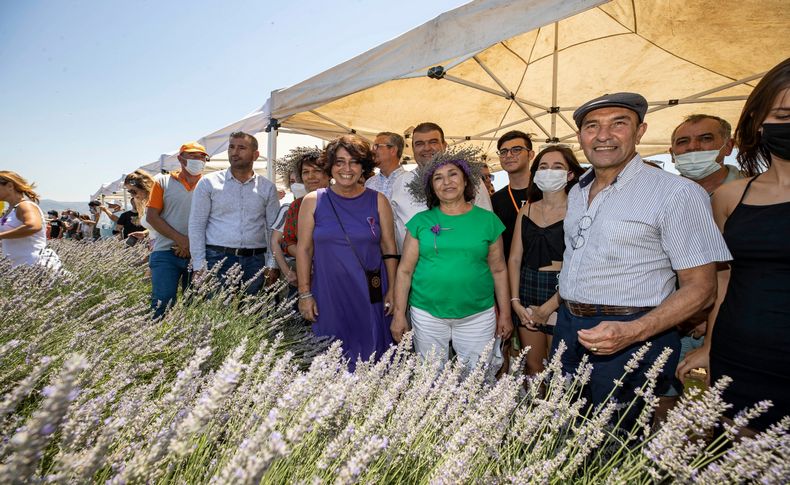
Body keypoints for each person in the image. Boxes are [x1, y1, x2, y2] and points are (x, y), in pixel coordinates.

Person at [552, 92, 731, 427]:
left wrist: (634, 331)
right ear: (580, 138)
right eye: (592, 126)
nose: (603, 135)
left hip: (634, 332)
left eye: (618, 124)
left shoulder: (676, 193)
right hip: (569, 325)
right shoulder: (576, 192)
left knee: (618, 440)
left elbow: (702, 288)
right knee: (564, 428)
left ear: (640, 131)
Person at [677, 58, 790, 433]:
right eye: (784, 115)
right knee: (737, 450)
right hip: (739, 352)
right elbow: (723, 280)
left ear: (726, 145)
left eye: (705, 140)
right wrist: (711, 344)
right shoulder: (730, 198)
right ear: (758, 122)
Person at [391, 148, 512, 373]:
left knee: (476, 381)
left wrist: (504, 313)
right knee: (430, 379)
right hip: (427, 314)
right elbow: (404, 271)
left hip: (477, 315)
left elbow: (499, 270)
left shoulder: (488, 221)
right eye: (438, 178)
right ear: (431, 187)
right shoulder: (420, 221)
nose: (447, 182)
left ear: (465, 180)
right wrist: (399, 314)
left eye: (453, 174)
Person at [295, 135, 398, 371]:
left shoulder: (378, 201)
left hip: (371, 295)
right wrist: (304, 294)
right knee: (330, 360)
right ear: (330, 166)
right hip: (329, 296)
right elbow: (304, 249)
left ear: (363, 167)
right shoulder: (313, 201)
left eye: (354, 162)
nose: (346, 169)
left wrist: (392, 290)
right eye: (339, 162)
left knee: (373, 359)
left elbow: (389, 248)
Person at [508, 146, 584, 375]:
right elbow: (514, 259)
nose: (549, 171)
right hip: (528, 289)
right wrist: (515, 301)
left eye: (557, 167)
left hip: (563, 292)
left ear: (570, 174)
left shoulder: (579, 211)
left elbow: (582, 265)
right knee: (533, 367)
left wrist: (551, 305)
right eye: (543, 167)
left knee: (559, 369)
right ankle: (533, 409)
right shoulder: (527, 211)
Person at [189, 131, 280, 295]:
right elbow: (196, 225)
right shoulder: (209, 183)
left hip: (256, 261)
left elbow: (272, 229)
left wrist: (272, 263)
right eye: (231, 147)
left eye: (241, 148)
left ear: (255, 154)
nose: (234, 152)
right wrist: (199, 265)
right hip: (217, 258)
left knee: (252, 315)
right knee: (216, 315)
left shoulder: (267, 188)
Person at [390, 122, 492, 250]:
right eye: (419, 144)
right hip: (412, 266)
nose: (426, 148)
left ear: (445, 146)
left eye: (433, 142)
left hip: (462, 262)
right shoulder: (401, 182)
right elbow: (392, 227)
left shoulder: (468, 178)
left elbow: (486, 223)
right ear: (413, 149)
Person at [145, 141, 207, 317]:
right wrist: (181, 240)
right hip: (166, 252)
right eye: (193, 156)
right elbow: (152, 216)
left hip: (199, 255)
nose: (198, 161)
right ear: (181, 159)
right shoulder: (162, 182)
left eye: (202, 157)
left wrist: (190, 245)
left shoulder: (209, 184)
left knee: (195, 304)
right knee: (162, 302)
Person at [276, 147, 329, 290]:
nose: (310, 177)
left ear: (328, 173)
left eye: (317, 171)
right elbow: (287, 241)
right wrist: (308, 257)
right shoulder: (296, 206)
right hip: (306, 276)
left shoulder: (343, 202)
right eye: (306, 172)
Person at [0, 171, 61, 270]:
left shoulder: (25, 205)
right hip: (17, 266)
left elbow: (33, 226)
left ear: (10, 186)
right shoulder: (10, 210)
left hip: (33, 265)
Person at [670, 114, 743, 194]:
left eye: (706, 138)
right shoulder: (661, 192)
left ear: (728, 146)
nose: (692, 146)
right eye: (683, 141)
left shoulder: (756, 187)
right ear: (672, 154)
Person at [365, 132, 406, 199]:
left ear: (393, 150)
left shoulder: (410, 181)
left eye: (376, 146)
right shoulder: (369, 183)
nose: (372, 150)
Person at [118, 170, 154, 242]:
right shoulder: (147, 206)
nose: (131, 195)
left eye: (133, 191)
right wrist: (145, 233)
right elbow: (157, 229)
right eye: (129, 192)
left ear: (144, 187)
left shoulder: (158, 202)